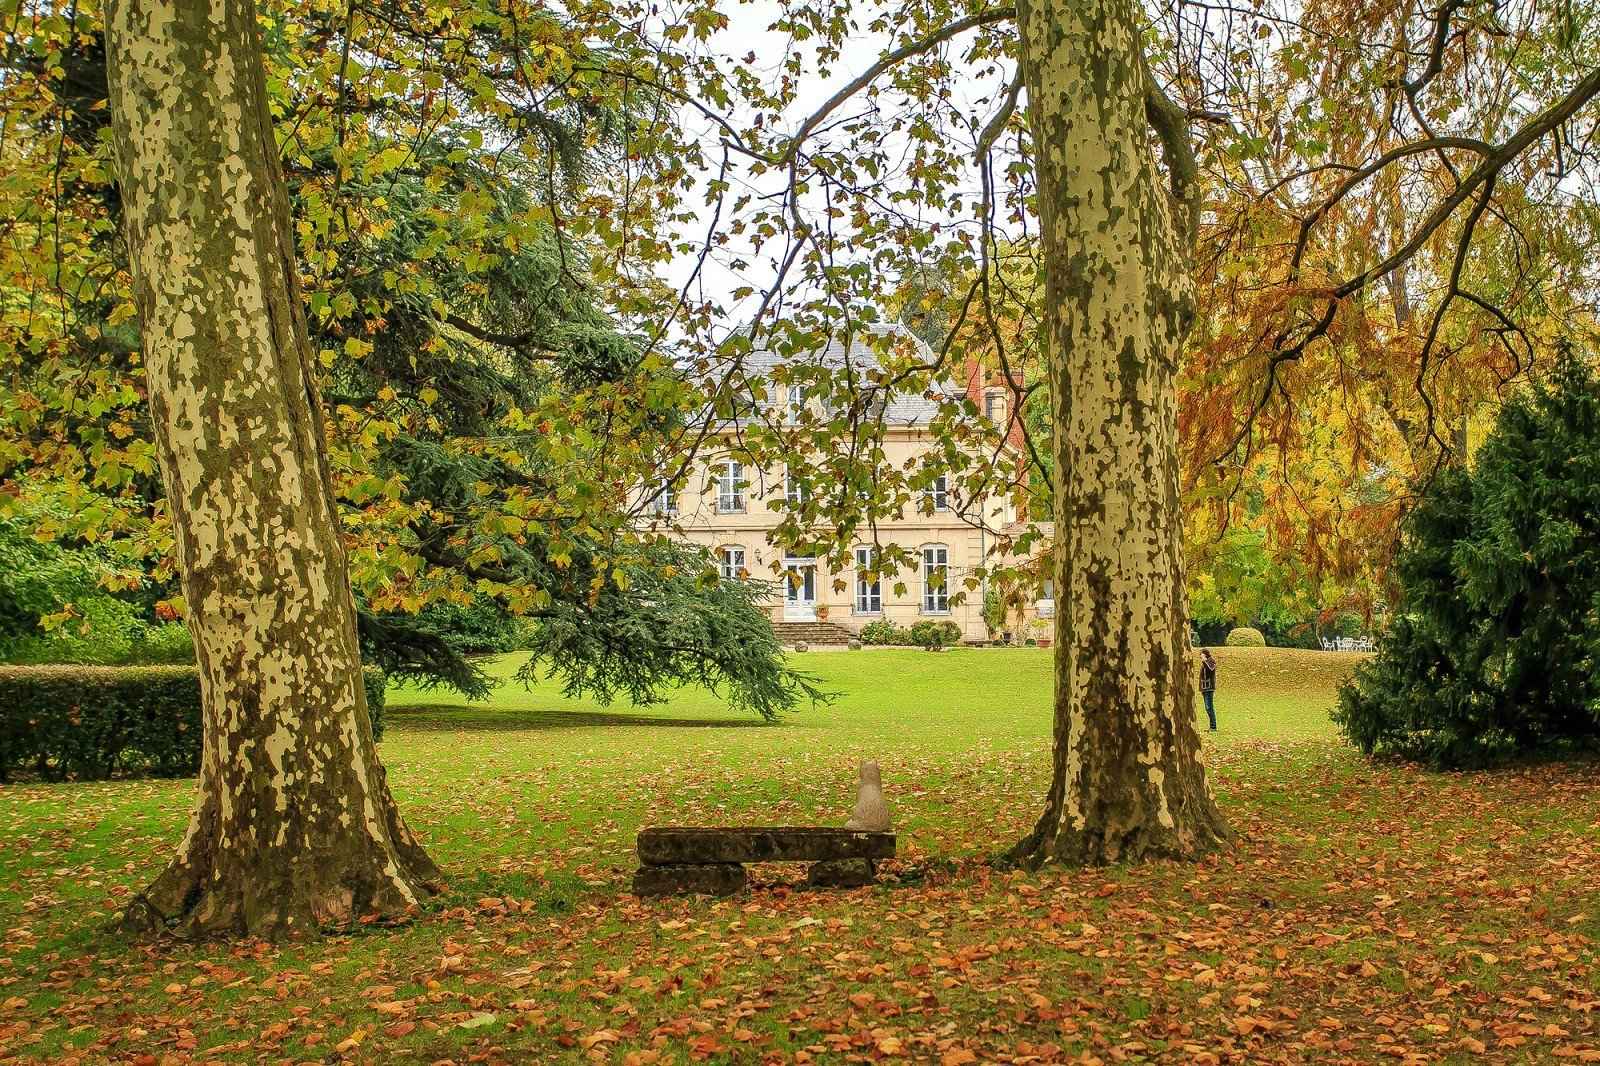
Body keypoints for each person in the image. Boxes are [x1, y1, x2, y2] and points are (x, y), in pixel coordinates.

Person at [1198, 648, 1218, 731]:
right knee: (1207, 708)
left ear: (1205, 654)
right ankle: (1212, 726)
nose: (1200, 656)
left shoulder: (1211, 661)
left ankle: (1213, 727)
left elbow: (1210, 669)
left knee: (1209, 707)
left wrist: (1204, 661)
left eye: (1201, 654)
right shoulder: (1205, 662)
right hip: (1204, 688)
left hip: (1209, 688)